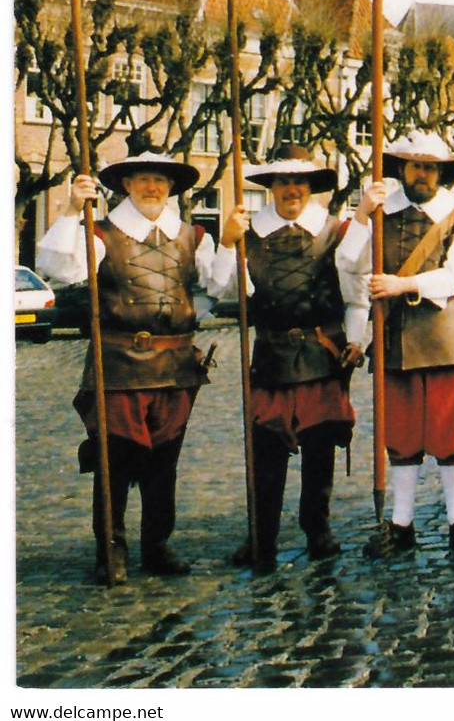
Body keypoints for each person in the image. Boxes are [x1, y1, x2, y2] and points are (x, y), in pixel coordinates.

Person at [38, 151, 218, 582]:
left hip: (175, 366)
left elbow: (222, 284)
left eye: (159, 180)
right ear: (126, 186)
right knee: (112, 460)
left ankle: (157, 546)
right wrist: (68, 210)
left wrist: (232, 242)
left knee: (163, 463)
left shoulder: (193, 236)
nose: (151, 187)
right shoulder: (101, 234)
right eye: (142, 180)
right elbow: (56, 267)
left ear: (171, 187)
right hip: (119, 365)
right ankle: (111, 551)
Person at [209, 144, 367, 572]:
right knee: (267, 450)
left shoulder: (338, 231)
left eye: (300, 182)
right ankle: (262, 536)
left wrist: (356, 340)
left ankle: (318, 528)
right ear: (272, 187)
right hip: (272, 353)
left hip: (322, 353)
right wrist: (227, 243)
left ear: (312, 187)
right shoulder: (249, 233)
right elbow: (225, 291)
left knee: (320, 447)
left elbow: (357, 295)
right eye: (283, 182)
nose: (291, 189)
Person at [337, 131, 454, 556]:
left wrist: (404, 282)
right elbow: (348, 263)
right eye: (415, 165)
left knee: (451, 431)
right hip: (396, 335)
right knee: (401, 433)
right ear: (401, 168)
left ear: (442, 172)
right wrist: (363, 215)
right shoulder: (381, 213)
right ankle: (401, 523)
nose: (422, 174)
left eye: (430, 167)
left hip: (447, 335)